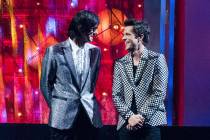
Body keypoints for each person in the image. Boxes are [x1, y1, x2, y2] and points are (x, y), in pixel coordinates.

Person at [40, 10, 102, 140]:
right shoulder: (54, 51)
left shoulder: (95, 52)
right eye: (93, 29)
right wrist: (57, 106)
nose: (96, 33)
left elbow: (92, 83)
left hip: (89, 116)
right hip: (62, 118)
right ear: (80, 28)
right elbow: (45, 84)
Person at [112, 19, 168, 140]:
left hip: (151, 122)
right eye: (123, 34)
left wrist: (140, 117)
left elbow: (159, 93)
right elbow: (116, 95)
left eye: (127, 34)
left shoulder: (157, 59)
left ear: (139, 37)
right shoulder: (120, 63)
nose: (123, 38)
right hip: (127, 124)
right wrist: (130, 117)